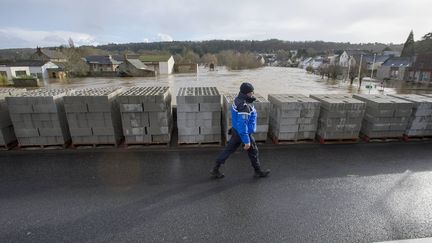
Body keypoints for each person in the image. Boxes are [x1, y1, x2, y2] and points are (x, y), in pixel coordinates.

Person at [210, 82, 270, 179]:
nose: (253, 93)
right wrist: (246, 141)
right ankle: (258, 171)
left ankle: (215, 169)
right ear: (247, 93)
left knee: (228, 150)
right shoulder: (244, 106)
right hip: (243, 133)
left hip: (236, 131)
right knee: (253, 152)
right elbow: (243, 124)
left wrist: (233, 129)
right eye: (252, 92)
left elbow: (236, 118)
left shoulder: (237, 100)